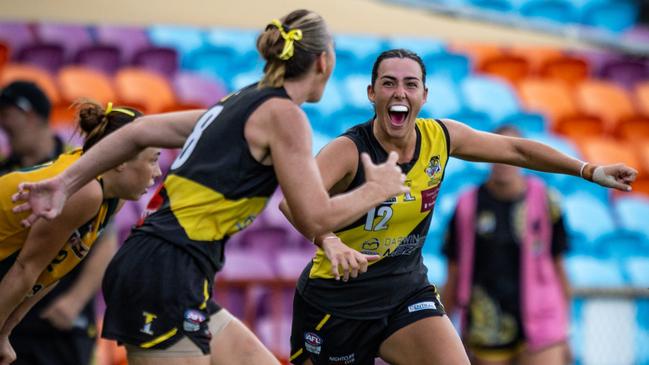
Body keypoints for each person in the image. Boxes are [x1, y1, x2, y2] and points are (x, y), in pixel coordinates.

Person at [11, 9, 408, 365]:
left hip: (174, 270)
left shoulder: (238, 101)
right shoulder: (285, 116)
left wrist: (65, 181)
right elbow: (315, 213)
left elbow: (142, 130)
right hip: (166, 272)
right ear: (324, 61)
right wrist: (376, 189)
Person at [277, 49, 637, 365]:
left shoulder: (441, 137)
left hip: (405, 291)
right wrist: (328, 240)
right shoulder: (349, 150)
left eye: (410, 84)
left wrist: (589, 170)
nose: (399, 92)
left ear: (424, 94)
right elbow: (292, 203)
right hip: (337, 302)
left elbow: (516, 150)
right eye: (388, 83)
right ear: (372, 93)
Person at [0, 99, 161, 365]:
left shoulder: (112, 196)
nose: (156, 172)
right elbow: (25, 269)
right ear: (120, 160)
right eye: (152, 160)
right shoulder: (86, 191)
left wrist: (6, 331)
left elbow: (49, 272)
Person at [442, 125, 572, 365]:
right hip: (486, 322)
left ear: (523, 158)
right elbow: (454, 270)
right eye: (497, 151)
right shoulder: (467, 205)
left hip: (542, 319)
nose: (504, 161)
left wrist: (565, 332)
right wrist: (447, 328)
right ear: (487, 155)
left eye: (511, 153)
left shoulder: (547, 201)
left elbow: (558, 267)